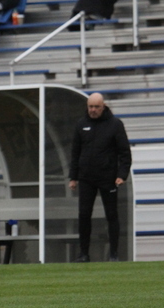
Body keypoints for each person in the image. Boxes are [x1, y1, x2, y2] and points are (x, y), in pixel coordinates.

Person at [69, 92, 131, 263]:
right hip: (86, 178)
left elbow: (125, 153)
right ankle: (83, 253)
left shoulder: (115, 125)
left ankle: (114, 254)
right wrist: (73, 177)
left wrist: (121, 175)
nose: (93, 110)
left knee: (111, 215)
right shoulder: (81, 124)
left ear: (103, 106)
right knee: (83, 215)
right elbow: (75, 153)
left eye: (96, 107)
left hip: (108, 177)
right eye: (90, 106)